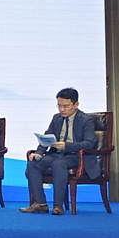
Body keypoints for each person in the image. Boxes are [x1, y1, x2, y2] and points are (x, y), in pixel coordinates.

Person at [21, 87, 99, 215]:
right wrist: (39, 153)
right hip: (56, 154)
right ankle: (40, 204)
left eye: (66, 106)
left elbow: (89, 143)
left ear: (76, 104)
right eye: (59, 106)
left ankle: (58, 206)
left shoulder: (86, 120)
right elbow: (46, 137)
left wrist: (66, 146)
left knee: (58, 164)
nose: (62, 109)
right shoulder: (56, 118)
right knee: (33, 164)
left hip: (76, 156)